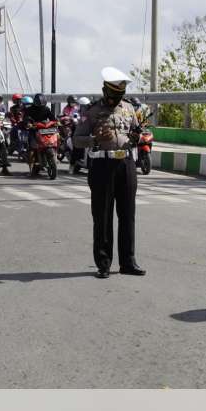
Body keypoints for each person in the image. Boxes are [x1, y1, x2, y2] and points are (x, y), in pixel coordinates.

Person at [77, 67, 144, 279]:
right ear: (105, 91)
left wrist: (137, 137)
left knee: (128, 216)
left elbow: (136, 134)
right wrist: (94, 139)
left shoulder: (129, 109)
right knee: (103, 216)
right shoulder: (92, 111)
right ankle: (103, 263)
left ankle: (128, 262)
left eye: (120, 95)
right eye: (113, 95)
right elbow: (76, 139)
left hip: (126, 164)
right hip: (102, 166)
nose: (116, 99)